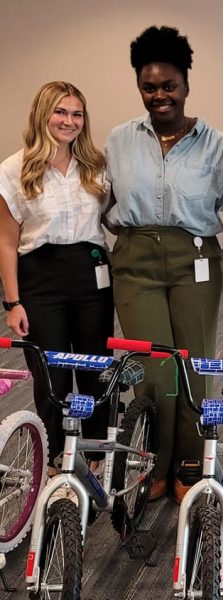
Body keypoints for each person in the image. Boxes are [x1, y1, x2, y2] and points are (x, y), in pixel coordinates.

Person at [104, 26, 223, 502]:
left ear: (186, 85)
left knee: (193, 362)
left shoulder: (218, 145)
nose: (159, 95)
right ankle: (155, 467)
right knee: (155, 371)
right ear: (139, 88)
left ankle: (189, 463)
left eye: (168, 86)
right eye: (149, 87)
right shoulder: (119, 141)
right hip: (136, 261)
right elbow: (96, 201)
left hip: (196, 260)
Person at [0, 81, 114, 473]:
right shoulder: (14, 170)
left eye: (77, 114)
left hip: (90, 271)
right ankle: (55, 460)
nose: (69, 121)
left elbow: (112, 216)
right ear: (42, 115)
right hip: (40, 277)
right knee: (52, 372)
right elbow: (6, 240)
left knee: (95, 366)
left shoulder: (97, 165)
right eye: (61, 112)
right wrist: (13, 302)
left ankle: (99, 455)